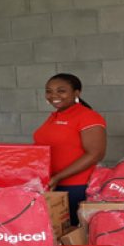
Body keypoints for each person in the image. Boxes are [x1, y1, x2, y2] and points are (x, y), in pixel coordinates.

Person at [33, 73, 106, 226]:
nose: (54, 95)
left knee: (72, 234)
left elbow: (95, 154)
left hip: (76, 187)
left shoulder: (88, 117)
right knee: (56, 235)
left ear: (76, 93)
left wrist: (58, 177)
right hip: (51, 185)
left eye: (61, 90)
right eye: (49, 91)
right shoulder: (55, 116)